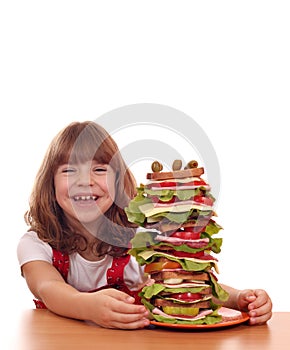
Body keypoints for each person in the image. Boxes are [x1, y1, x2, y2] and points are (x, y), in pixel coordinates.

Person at [17, 121, 272, 329]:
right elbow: (48, 288)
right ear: (50, 184)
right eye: (69, 171)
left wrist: (240, 298)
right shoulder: (37, 244)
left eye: (99, 169)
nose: (85, 181)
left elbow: (184, 284)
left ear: (117, 182)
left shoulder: (138, 242)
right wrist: (89, 307)